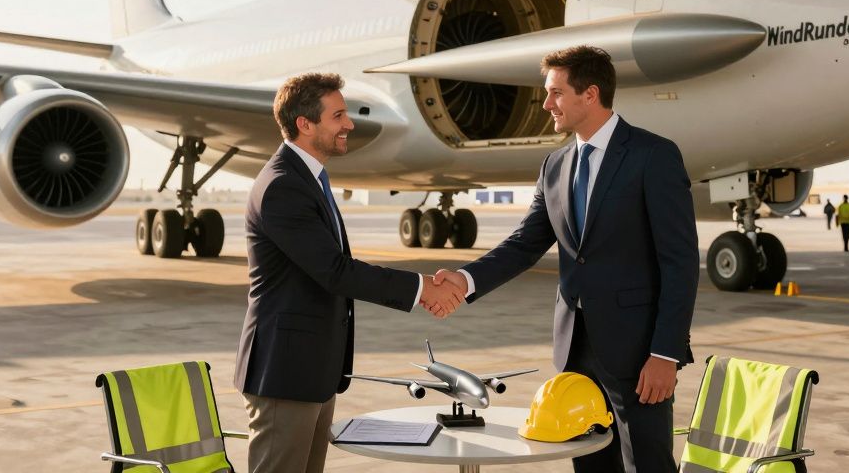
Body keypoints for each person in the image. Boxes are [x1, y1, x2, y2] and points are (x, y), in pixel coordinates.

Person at [433, 46, 698, 473]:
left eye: (555, 93)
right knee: (590, 465)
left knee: (647, 465)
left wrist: (665, 353)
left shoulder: (653, 156)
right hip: (575, 349)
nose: (545, 103)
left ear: (589, 94)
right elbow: (525, 243)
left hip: (639, 353)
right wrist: (465, 281)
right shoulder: (555, 165)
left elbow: (680, 263)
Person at [235, 73, 464, 473]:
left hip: (312, 370)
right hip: (285, 374)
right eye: (338, 115)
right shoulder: (283, 186)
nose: (350, 124)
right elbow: (335, 272)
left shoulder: (308, 179)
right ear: (305, 124)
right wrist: (421, 287)